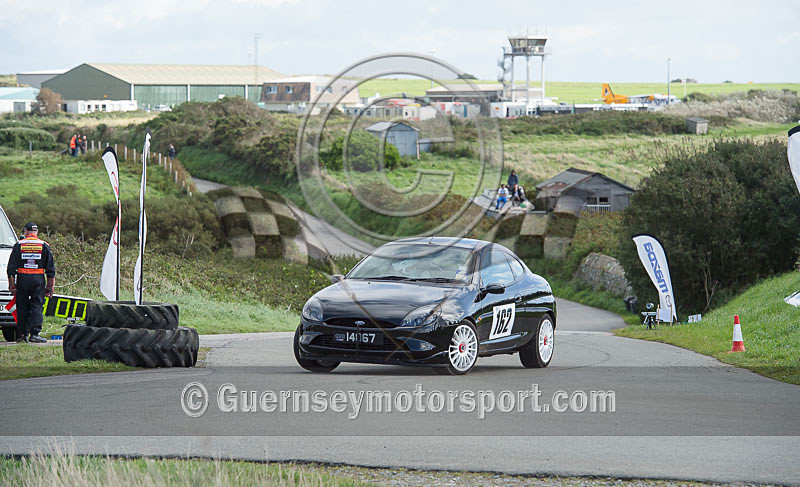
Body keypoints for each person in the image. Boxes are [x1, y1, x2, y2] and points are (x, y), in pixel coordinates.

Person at [6, 223, 55, 343]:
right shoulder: (44, 245)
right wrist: (50, 287)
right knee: (37, 305)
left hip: (22, 278)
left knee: (22, 306)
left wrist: (12, 285)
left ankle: (22, 335)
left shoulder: (18, 245)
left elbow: (11, 269)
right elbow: (50, 270)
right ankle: (35, 334)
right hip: (38, 279)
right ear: (36, 232)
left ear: (25, 232)